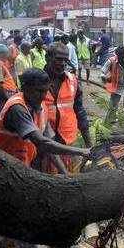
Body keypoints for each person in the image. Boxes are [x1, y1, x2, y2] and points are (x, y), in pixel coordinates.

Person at [0, 67, 91, 169]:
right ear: (25, 88)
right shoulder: (17, 108)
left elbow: (49, 143)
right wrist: (81, 151)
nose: (43, 96)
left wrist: (65, 173)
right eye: (38, 91)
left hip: (17, 166)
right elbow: (42, 143)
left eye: (45, 91)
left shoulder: (42, 107)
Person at [44, 42, 92, 172]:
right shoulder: (37, 82)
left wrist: (89, 143)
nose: (63, 63)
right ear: (47, 58)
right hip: (45, 143)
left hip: (68, 140)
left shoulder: (72, 80)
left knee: (70, 177)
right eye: (59, 59)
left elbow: (80, 111)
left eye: (66, 60)